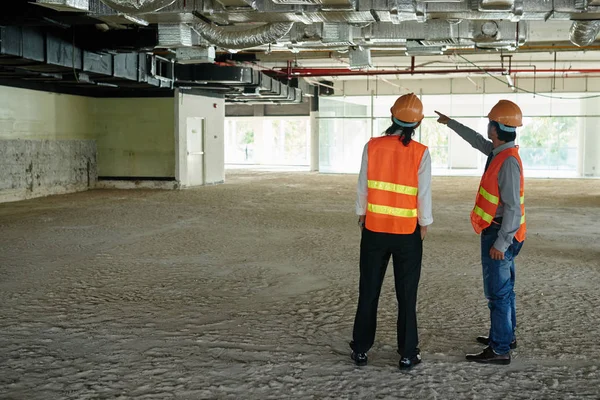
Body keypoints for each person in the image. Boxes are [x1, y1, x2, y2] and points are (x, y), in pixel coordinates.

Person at [435, 100, 526, 365]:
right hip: (502, 231)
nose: (486, 126)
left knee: (498, 294)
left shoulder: (507, 161)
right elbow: (475, 140)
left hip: (500, 233)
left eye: (490, 122)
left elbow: (511, 207)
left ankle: (499, 350)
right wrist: (450, 123)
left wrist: (501, 243)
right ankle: (505, 337)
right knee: (505, 291)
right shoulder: (498, 152)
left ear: (495, 128)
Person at [350, 93, 433, 370]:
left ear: (391, 116)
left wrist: (362, 214)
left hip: (374, 230)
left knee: (369, 291)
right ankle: (408, 353)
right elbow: (424, 194)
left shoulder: (372, 146)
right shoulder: (421, 152)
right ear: (417, 123)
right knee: (407, 296)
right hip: (407, 233)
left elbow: (363, 185)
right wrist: (424, 223)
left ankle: (360, 350)